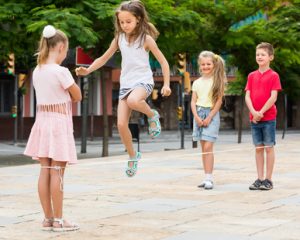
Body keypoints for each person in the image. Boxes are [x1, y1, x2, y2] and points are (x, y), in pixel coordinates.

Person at [75, 0, 171, 177]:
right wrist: (87, 70)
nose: (125, 25)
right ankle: (133, 156)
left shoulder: (146, 39)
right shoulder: (119, 39)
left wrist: (166, 84)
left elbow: (164, 62)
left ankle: (152, 115)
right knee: (120, 124)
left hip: (143, 82)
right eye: (121, 22)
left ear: (138, 20)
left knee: (135, 101)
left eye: (128, 21)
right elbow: (103, 59)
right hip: (126, 84)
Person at [24, 25, 81, 231]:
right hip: (58, 124)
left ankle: (47, 218)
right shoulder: (62, 71)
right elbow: (78, 96)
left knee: (45, 170)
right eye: (66, 50)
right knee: (58, 171)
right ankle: (58, 220)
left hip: (42, 123)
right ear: (61, 47)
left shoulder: (37, 71)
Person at [245, 42, 282, 191]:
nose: (259, 57)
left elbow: (273, 97)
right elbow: (247, 96)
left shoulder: (274, 75)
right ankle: (259, 179)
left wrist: (261, 112)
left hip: (268, 118)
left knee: (268, 147)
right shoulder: (251, 76)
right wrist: (254, 112)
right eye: (257, 54)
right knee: (258, 148)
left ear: (270, 57)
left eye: (263, 54)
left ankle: (268, 179)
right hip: (254, 118)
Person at [191, 51, 226, 190]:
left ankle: (209, 178)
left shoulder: (217, 81)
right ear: (200, 66)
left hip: (211, 114)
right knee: (203, 148)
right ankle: (205, 177)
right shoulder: (197, 82)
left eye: (208, 64)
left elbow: (219, 101)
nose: (206, 66)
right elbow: (193, 101)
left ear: (214, 64)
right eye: (203, 64)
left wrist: (210, 116)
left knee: (208, 147)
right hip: (198, 113)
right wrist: (197, 117)